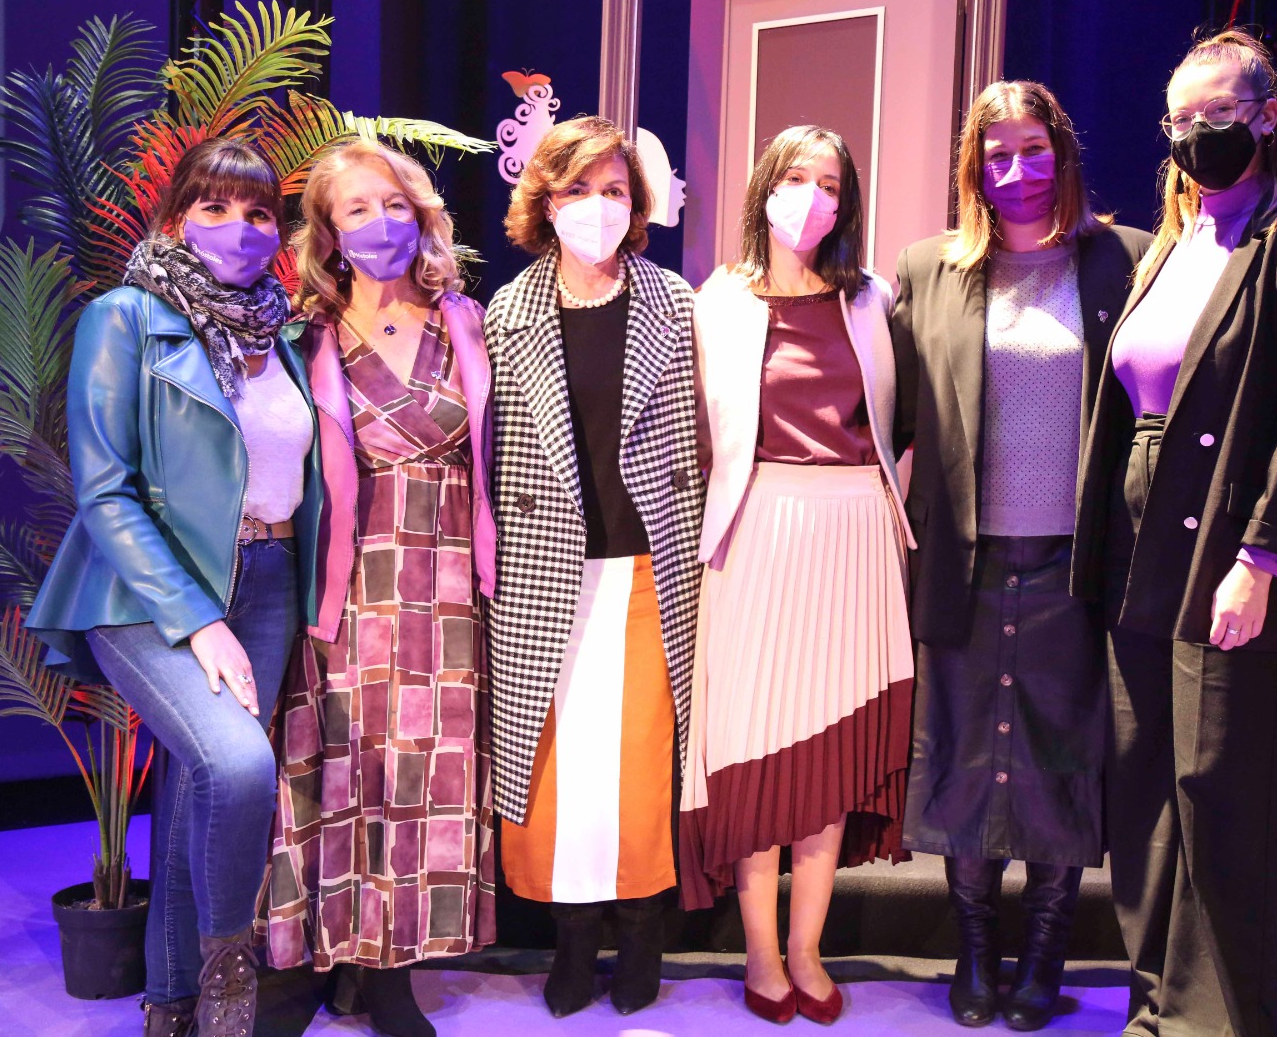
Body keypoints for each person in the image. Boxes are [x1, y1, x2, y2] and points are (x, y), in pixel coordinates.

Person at [1070, 29, 1277, 1037]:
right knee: (1145, 784)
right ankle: (1154, 1006)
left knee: (1219, 795)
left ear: (1268, 116)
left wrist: (1262, 559)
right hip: (1138, 542)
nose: (1198, 136)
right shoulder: (1167, 247)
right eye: (1181, 122)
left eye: (1219, 117)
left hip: (1230, 548)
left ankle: (1218, 1023)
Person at [27, 138, 319, 1037]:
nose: (239, 229)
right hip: (145, 593)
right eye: (214, 207)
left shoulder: (281, 334)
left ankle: (171, 1003)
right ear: (176, 219)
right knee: (237, 765)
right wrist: (197, 619)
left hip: (267, 578)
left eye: (259, 213)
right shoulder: (125, 316)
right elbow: (106, 490)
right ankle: (229, 989)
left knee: (199, 791)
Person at [890, 82, 1151, 1031]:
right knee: (966, 757)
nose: (1016, 170)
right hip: (964, 559)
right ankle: (975, 951)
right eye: (995, 154)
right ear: (973, 166)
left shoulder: (1125, 260)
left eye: (1033, 149)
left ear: (1063, 151)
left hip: (1078, 565)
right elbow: (890, 414)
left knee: (1057, 759)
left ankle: (1044, 953)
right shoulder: (929, 268)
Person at [258, 139, 496, 1037]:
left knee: (425, 780)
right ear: (328, 230)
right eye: (358, 208)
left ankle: (391, 972)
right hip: (352, 586)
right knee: (347, 772)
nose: (381, 222)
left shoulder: (465, 320)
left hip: (448, 587)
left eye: (395, 204)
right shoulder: (303, 339)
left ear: (421, 214)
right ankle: (326, 961)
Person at [681, 125, 915, 1026]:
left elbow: (901, 419)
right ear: (763, 189)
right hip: (757, 531)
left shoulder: (872, 298)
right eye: (794, 177)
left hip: (855, 532)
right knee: (755, 752)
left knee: (827, 755)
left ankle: (808, 949)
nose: (811, 197)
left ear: (845, 203)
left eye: (830, 183)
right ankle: (760, 951)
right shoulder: (719, 301)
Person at [483, 115, 703, 1019]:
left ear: (637, 205)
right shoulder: (506, 314)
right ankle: (573, 941)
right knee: (555, 771)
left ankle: (642, 931)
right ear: (544, 199)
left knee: (641, 767)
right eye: (578, 189)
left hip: (652, 568)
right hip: (545, 573)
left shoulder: (675, 302)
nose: (597, 207)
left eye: (614, 191)